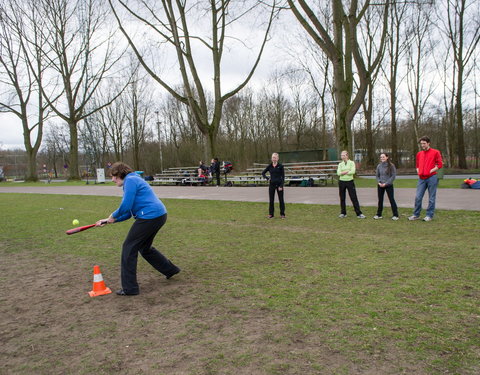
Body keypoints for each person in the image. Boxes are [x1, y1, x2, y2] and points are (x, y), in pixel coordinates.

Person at [96, 162, 180, 296]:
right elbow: (129, 212)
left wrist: (112, 215)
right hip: (158, 215)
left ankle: (130, 288)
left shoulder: (130, 180)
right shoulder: (133, 180)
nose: (112, 179)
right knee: (144, 248)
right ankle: (170, 269)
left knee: (129, 248)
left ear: (119, 174)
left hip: (150, 216)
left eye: (113, 176)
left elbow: (125, 205)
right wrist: (110, 220)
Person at [409, 136, 443, 221]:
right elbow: (417, 165)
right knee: (418, 197)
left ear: (428, 143)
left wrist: (431, 170)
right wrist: (418, 171)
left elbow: (440, 164)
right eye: (421, 144)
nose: (422, 145)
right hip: (421, 178)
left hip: (432, 177)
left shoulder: (436, 152)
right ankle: (416, 215)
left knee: (431, 197)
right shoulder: (419, 154)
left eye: (424, 143)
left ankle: (429, 215)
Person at [337, 150, 365, 219]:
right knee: (342, 198)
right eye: (341, 155)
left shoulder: (352, 163)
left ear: (347, 155)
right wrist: (347, 171)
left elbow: (353, 171)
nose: (342, 157)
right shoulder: (340, 164)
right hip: (341, 182)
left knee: (353, 197)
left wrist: (343, 172)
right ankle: (343, 213)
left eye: (343, 155)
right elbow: (338, 173)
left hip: (350, 182)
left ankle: (359, 213)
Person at [374, 153, 399, 220]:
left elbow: (393, 176)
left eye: (383, 157)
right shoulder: (379, 166)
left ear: (387, 157)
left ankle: (395, 215)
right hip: (380, 185)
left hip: (388, 185)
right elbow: (377, 175)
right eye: (381, 157)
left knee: (391, 199)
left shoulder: (391, 166)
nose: (382, 158)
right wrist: (379, 182)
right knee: (380, 200)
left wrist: (386, 183)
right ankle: (379, 214)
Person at [262, 152, 286, 219]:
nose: (274, 159)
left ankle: (282, 214)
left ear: (277, 158)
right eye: (273, 157)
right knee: (271, 200)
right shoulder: (269, 166)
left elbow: (283, 177)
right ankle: (271, 214)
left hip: (279, 185)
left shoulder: (281, 166)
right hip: (271, 185)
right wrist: (267, 178)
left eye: (275, 158)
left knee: (281, 200)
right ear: (271, 158)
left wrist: (281, 186)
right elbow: (263, 173)